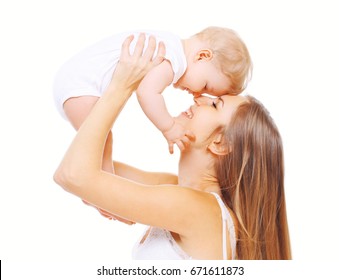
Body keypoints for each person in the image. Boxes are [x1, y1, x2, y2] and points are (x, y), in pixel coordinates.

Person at [53, 35, 291, 260]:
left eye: (215, 103)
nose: (199, 97)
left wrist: (123, 85)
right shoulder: (179, 190)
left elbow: (73, 175)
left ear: (221, 143)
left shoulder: (198, 209)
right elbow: (87, 168)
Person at [53, 27, 252, 177]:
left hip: (75, 82)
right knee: (101, 142)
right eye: (206, 85)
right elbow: (147, 93)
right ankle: (99, 186)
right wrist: (169, 127)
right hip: (81, 85)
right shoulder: (173, 57)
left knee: (101, 144)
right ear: (202, 56)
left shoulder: (170, 43)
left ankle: (101, 182)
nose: (198, 94)